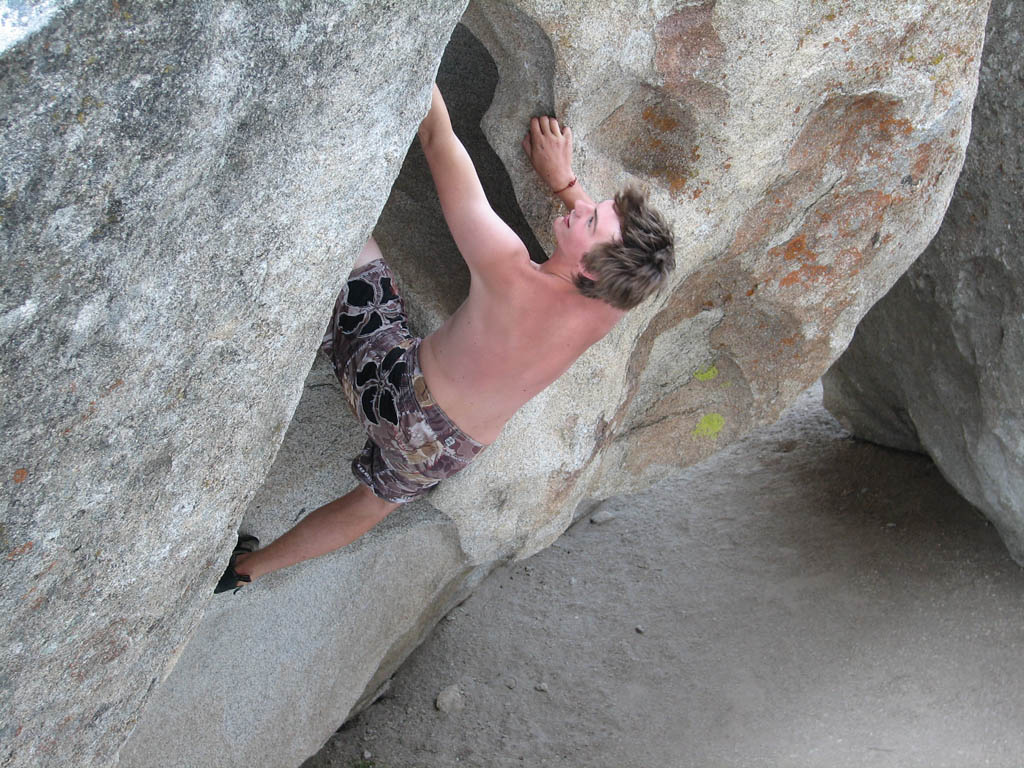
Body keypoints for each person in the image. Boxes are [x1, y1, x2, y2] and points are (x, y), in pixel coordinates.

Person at [216, 84, 675, 593]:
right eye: (594, 204)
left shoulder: (508, 270)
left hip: (397, 395)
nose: (581, 206)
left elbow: (438, 138)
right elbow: (605, 246)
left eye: (588, 218)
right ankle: (242, 573)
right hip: (450, 450)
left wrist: (423, 57)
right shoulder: (613, 301)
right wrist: (565, 183)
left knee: (354, 249)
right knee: (373, 503)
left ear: (591, 269)